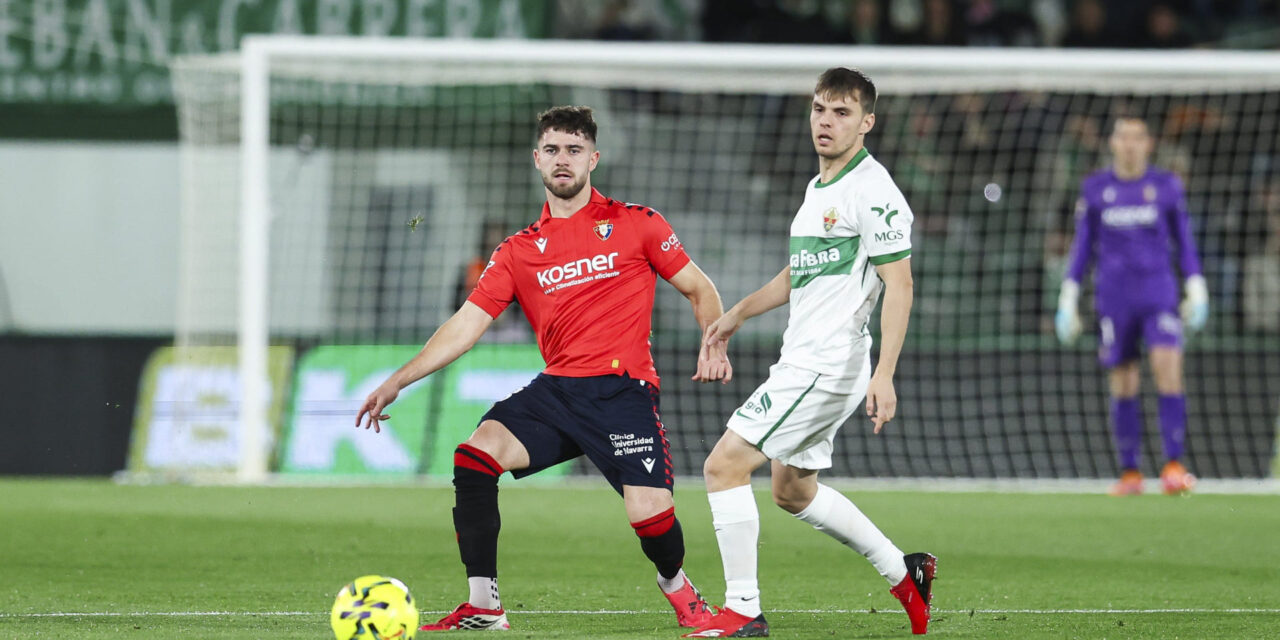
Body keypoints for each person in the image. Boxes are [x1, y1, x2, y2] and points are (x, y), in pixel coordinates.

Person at [356, 106, 730, 632]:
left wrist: (713, 342)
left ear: (593, 159)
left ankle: (676, 584)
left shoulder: (638, 224)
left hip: (623, 392)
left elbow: (700, 288)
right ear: (536, 160)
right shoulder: (517, 251)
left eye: (574, 150)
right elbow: (465, 324)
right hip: (557, 393)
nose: (563, 159)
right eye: (552, 149)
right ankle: (484, 605)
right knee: (474, 458)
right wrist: (397, 379)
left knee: (652, 520)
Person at [685, 68, 935, 638]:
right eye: (820, 109)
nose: (826, 121)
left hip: (826, 364)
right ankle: (905, 571)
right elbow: (801, 272)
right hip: (805, 360)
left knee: (722, 465)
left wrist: (886, 374)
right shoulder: (820, 187)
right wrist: (738, 314)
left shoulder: (874, 191)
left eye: (842, 112)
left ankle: (743, 610)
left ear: (867, 123)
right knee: (791, 490)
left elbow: (902, 285)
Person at [1055, 115, 1207, 496]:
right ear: (1112, 142)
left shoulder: (1166, 187)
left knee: (1168, 369)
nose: (1130, 144)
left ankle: (1173, 466)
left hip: (1158, 295)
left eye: (1137, 137)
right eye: (1123, 137)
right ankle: (1131, 473)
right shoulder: (1095, 189)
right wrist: (1068, 297)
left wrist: (1197, 286)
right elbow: (1082, 248)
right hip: (1114, 299)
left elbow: (1184, 242)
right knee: (1124, 383)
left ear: (1148, 143)